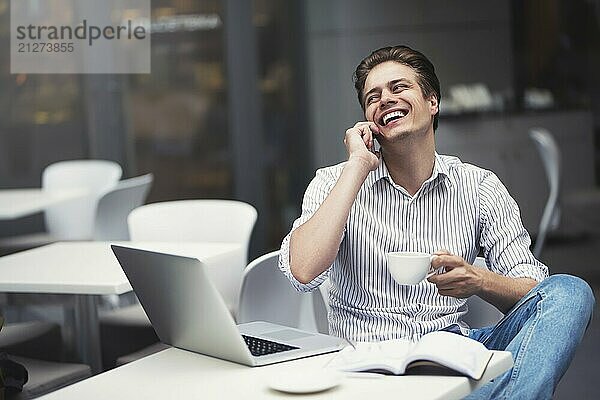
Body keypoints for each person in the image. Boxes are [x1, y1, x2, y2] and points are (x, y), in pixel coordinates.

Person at [278, 45, 595, 399]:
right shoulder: (334, 183)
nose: (384, 99)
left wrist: (479, 280)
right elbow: (303, 271)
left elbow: (531, 292)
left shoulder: (478, 187)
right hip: (369, 364)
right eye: (373, 97)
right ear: (369, 121)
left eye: (399, 88)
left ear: (432, 103)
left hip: (452, 351)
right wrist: (357, 166)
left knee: (570, 292)